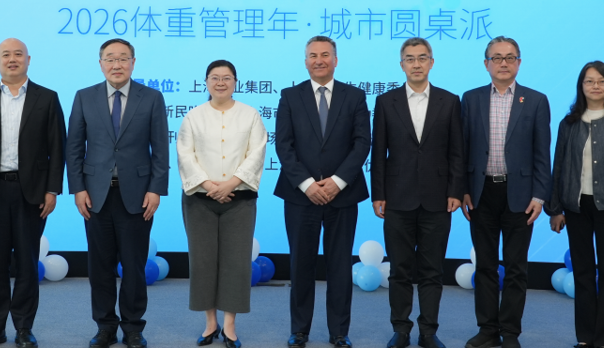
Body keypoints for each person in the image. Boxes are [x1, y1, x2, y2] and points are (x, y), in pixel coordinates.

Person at [0, 38, 66, 348]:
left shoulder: (47, 98)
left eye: (18, 54)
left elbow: (58, 148)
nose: (12, 59)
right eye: (5, 55)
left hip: (31, 192)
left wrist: (52, 189)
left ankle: (23, 328)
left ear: (28, 60)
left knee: (27, 263)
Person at [66, 38, 169, 348]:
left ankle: (133, 328)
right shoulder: (84, 97)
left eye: (123, 58)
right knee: (100, 267)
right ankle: (105, 327)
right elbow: (74, 148)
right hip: (95, 196)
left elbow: (160, 149)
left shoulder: (151, 98)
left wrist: (156, 189)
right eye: (110, 59)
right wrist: (78, 188)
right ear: (101, 64)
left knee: (134, 266)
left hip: (137, 195)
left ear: (133, 63)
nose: (116, 64)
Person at [274, 35, 371, 348]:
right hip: (300, 196)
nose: (319, 60)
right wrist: (307, 184)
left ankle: (339, 332)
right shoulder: (290, 96)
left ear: (335, 60)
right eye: (313, 55)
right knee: (300, 264)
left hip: (343, 195)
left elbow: (362, 143)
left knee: (340, 265)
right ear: (305, 62)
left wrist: (337, 181)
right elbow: (284, 145)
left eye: (325, 54)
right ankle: (299, 330)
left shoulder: (354, 96)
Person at [371, 38, 465, 348]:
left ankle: (428, 331)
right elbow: (378, 152)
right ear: (402, 65)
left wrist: (456, 190)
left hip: (438, 199)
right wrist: (378, 194)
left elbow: (457, 152)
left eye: (422, 58)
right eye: (410, 59)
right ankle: (400, 329)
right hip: (397, 198)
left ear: (431, 63)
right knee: (399, 270)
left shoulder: (449, 101)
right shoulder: (386, 102)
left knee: (432, 270)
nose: (416, 64)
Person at [460, 36, 551, 348]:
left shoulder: (536, 101)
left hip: (521, 195)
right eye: (496, 58)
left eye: (510, 57)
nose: (503, 63)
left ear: (519, 63)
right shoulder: (471, 99)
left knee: (515, 268)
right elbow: (462, 150)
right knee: (485, 266)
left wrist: (540, 196)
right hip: (481, 192)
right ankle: (487, 329)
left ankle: (510, 332)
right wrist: (463, 190)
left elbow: (542, 154)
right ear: (486, 64)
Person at [546, 61, 604, 348]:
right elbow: (558, 167)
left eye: (601, 81)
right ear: (581, 86)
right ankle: (585, 338)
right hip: (576, 208)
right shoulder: (569, 124)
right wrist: (555, 209)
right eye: (589, 81)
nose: (595, 86)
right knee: (583, 274)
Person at [177, 60, 268, 348]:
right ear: (206, 82)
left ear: (235, 82)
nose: (220, 83)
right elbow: (185, 155)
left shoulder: (250, 115)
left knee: (236, 263)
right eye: (214, 78)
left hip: (239, 199)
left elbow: (257, 153)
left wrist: (230, 184)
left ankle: (229, 326)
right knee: (202, 262)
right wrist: (208, 185)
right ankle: (210, 324)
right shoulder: (194, 116)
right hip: (199, 200)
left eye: (226, 78)